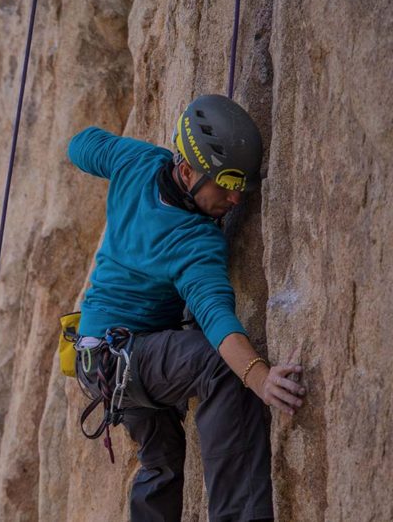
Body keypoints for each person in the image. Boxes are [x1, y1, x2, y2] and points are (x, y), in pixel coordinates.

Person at [67, 94, 306, 522]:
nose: (235, 200)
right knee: (220, 367)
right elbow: (216, 319)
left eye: (240, 188)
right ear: (188, 169)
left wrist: (97, 150)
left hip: (99, 359)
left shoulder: (136, 160)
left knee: (160, 465)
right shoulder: (194, 242)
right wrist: (259, 377)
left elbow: (81, 146)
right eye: (225, 185)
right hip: (127, 357)